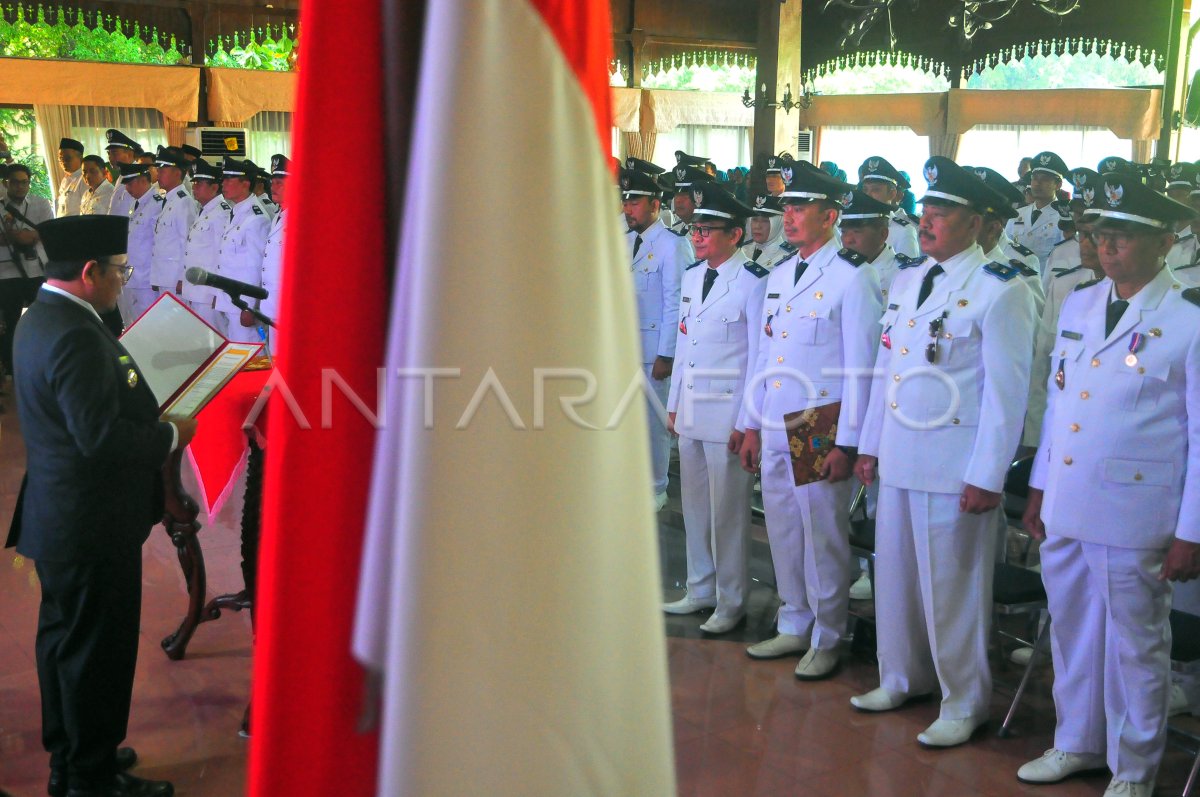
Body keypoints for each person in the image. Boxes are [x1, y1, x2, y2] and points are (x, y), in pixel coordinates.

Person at [1017, 173, 1200, 797]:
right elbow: (1063, 405)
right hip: (1069, 503)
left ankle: (1135, 770)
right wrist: (1040, 487)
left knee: (1136, 649)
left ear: (1168, 242)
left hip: (1135, 513)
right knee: (1070, 633)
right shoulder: (1081, 302)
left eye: (1125, 235)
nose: (1108, 246)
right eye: (1103, 234)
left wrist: (1191, 532)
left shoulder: (1188, 320)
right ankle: (1077, 742)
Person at [7, 214, 196, 797]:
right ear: (90, 272)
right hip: (89, 523)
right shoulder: (72, 333)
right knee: (96, 653)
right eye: (119, 271)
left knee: (67, 646)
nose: (123, 280)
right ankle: (90, 779)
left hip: (63, 518)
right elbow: (101, 439)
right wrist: (170, 436)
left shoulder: (43, 315)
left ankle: (76, 757)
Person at [851, 156, 1037, 748]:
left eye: (943, 211)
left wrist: (987, 475)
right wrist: (869, 447)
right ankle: (901, 675)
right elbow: (887, 372)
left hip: (955, 466)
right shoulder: (907, 280)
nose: (927, 219)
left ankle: (964, 700)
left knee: (953, 589)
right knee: (897, 577)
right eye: (927, 208)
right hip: (901, 456)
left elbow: (1008, 397)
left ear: (978, 223)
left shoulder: (999, 290)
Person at [738, 169, 882, 678]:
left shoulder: (852, 276)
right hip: (778, 415)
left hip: (819, 420)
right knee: (781, 527)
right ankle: (793, 621)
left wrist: (849, 441)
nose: (790, 217)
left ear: (830, 215)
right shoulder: (778, 275)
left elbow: (862, 368)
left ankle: (827, 632)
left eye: (801, 209)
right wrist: (750, 423)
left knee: (822, 533)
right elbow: (762, 356)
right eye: (787, 209)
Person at [664, 182, 768, 634]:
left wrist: (748, 422)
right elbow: (684, 343)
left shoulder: (753, 283)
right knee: (695, 509)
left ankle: (731, 599)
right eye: (696, 228)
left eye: (708, 229)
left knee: (728, 513)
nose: (698, 235)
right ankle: (700, 587)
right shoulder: (692, 276)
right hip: (691, 410)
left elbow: (760, 358)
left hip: (727, 414)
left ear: (735, 235)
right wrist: (673, 404)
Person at [620, 166, 689, 512]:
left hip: (653, 352)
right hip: (624, 349)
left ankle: (657, 486)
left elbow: (676, 302)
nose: (628, 207)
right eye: (626, 200)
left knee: (654, 422)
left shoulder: (672, 246)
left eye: (635, 201)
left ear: (655, 204)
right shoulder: (625, 241)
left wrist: (667, 354)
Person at [0, 163, 53, 374]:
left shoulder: (41, 204)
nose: (20, 187)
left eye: (25, 182)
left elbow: (49, 230)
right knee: (11, 322)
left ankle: (42, 363)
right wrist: (17, 237)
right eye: (15, 183)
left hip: (36, 271)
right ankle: (13, 368)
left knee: (41, 319)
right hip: (7, 273)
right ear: (7, 184)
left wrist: (30, 237)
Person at [214, 157, 270, 340]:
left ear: (245, 183)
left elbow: (256, 267)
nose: (223, 183)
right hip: (230, 301)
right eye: (224, 179)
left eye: (229, 179)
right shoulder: (236, 211)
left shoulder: (256, 218)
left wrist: (249, 307)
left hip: (242, 305)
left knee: (250, 358)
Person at [148, 147, 197, 300]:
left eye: (163, 170)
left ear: (177, 173)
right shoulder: (169, 200)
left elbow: (187, 243)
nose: (158, 174)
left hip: (175, 279)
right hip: (164, 277)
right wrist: (155, 276)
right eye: (158, 170)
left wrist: (184, 278)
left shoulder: (184, 202)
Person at [1006, 151, 1068, 268]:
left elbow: (1064, 257)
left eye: (1044, 179)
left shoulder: (1063, 218)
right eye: (1034, 178)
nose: (1037, 183)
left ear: (1058, 185)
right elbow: (1005, 248)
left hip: (1044, 282)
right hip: (1014, 280)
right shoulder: (1017, 214)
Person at [119, 163, 163, 326]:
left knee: (151, 324)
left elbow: (158, 243)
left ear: (144, 180)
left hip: (147, 278)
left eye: (130, 184)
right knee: (134, 323)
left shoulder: (157, 203)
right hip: (132, 276)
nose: (127, 189)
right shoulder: (136, 203)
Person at [857, 156, 920, 258]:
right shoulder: (856, 224)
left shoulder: (903, 232)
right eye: (865, 189)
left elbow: (909, 272)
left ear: (892, 194)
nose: (868, 195)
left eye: (875, 190)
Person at [740, 194, 792, 270]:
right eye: (754, 220)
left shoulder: (788, 256)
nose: (757, 226)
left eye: (765, 221)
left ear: (778, 224)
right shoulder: (743, 249)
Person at [1165, 162, 1198, 270]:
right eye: (1170, 195)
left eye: (1180, 195)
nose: (1173, 201)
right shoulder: (1162, 234)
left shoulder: (1195, 237)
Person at [104, 130, 139, 218]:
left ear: (130, 154)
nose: (110, 157)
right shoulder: (122, 176)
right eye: (109, 153)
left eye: (115, 153)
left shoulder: (138, 176)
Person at [56, 138, 88, 217]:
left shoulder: (85, 179)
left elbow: (87, 209)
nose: (63, 162)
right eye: (61, 159)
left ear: (80, 158)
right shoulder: (65, 180)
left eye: (67, 158)